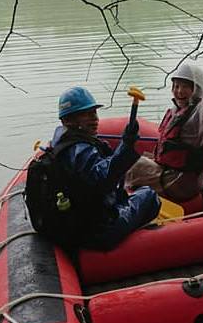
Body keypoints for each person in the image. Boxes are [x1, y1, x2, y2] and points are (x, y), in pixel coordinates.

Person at [48, 86, 160, 251]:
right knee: (149, 196)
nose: (95, 119)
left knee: (128, 194)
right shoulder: (80, 149)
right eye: (86, 114)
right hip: (99, 230)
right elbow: (105, 178)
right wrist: (127, 145)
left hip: (76, 222)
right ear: (68, 120)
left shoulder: (60, 143)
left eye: (94, 112)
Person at [125, 49, 203, 202]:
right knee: (143, 156)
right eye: (176, 86)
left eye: (185, 87)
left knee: (130, 164)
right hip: (173, 172)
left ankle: (123, 200)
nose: (179, 91)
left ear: (197, 89)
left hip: (182, 182)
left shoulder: (202, 115)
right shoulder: (176, 111)